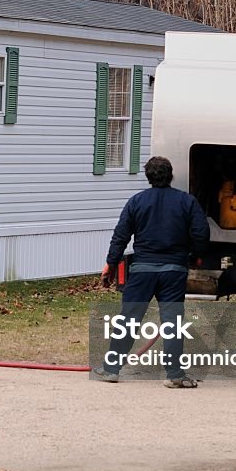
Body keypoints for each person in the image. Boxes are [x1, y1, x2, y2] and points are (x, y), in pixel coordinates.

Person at [94, 156, 210, 386]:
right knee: (172, 322)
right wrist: (195, 255)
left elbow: (120, 237)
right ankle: (174, 375)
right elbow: (201, 233)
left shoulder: (136, 201)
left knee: (128, 319)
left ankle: (111, 370)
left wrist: (110, 263)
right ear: (171, 175)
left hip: (142, 270)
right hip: (174, 270)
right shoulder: (187, 202)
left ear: (148, 176)